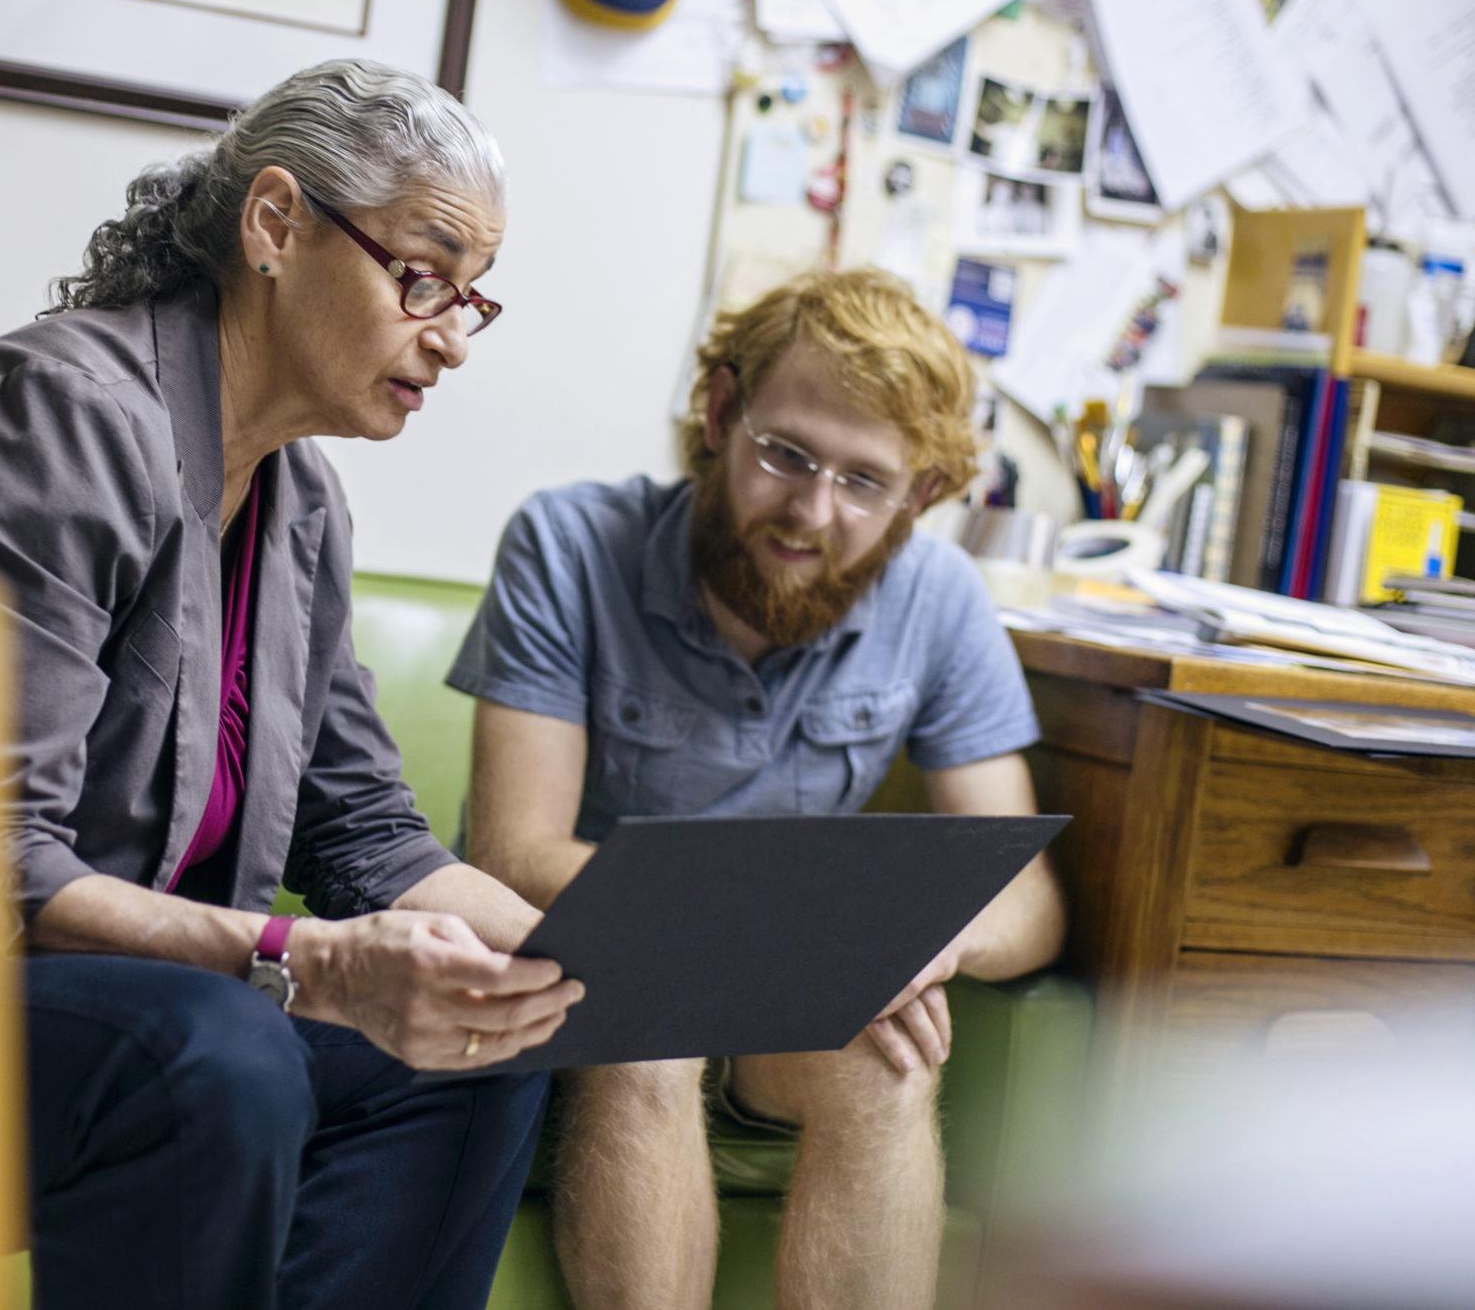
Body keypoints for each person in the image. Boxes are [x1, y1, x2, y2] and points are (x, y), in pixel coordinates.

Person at [0, 59, 582, 1310]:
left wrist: (596, 969)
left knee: (474, 1048)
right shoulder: (46, 417)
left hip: (130, 1023)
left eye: (471, 299)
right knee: (218, 1050)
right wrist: (308, 962)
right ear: (275, 223)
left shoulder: (299, 502)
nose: (449, 335)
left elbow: (366, 834)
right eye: (423, 275)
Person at [448, 267, 1066, 1310]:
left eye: (864, 482)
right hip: (578, 983)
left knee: (888, 1062)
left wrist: (930, 942)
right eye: (785, 454)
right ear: (721, 411)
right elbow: (512, 854)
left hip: (783, 990)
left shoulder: (941, 601)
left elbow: (1030, 898)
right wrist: (783, 932)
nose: (811, 511)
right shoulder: (565, 543)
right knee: (653, 1034)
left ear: (921, 494)